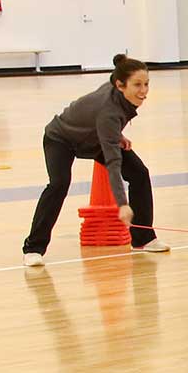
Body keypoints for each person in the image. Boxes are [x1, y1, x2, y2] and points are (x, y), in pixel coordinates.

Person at [22, 55, 168, 266]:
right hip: (61, 138)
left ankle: (143, 239)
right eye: (137, 85)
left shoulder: (116, 90)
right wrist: (122, 205)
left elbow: (103, 124)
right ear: (120, 85)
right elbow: (113, 163)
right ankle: (33, 248)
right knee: (58, 184)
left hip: (94, 137)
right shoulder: (109, 112)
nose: (144, 90)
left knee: (139, 173)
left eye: (146, 84)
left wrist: (117, 135)